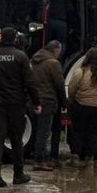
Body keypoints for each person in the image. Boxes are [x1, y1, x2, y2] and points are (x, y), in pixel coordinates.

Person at [0, 26, 41, 188]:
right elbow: (30, 82)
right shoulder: (21, 57)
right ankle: (18, 174)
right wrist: (36, 102)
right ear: (15, 39)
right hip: (16, 104)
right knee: (16, 140)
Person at [67, 47, 97, 167]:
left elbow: (71, 89)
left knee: (78, 131)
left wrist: (72, 100)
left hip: (82, 106)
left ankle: (75, 157)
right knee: (93, 133)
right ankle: (90, 159)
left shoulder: (81, 71)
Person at [30, 39, 66, 172]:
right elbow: (60, 85)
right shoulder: (53, 63)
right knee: (44, 133)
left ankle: (39, 157)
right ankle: (40, 161)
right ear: (56, 50)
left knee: (37, 130)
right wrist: (64, 102)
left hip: (34, 100)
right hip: (48, 101)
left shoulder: (34, 61)